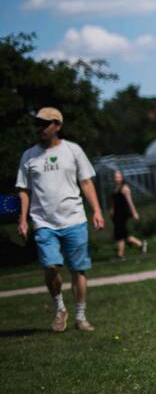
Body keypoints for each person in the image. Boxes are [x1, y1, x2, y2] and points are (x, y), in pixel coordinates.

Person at [15, 107, 105, 332]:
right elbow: (23, 190)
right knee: (50, 267)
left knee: (78, 270)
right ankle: (60, 308)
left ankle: (81, 316)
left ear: (57, 126)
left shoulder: (73, 151)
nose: (40, 128)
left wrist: (96, 210)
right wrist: (23, 219)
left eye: (45, 124)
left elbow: (86, 182)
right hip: (44, 222)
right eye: (38, 123)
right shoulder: (29, 156)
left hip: (74, 219)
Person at [110, 170, 147, 260]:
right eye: (115, 177)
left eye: (118, 176)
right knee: (123, 235)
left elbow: (129, 201)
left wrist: (134, 212)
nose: (117, 178)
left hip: (123, 214)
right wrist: (112, 210)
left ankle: (120, 255)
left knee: (119, 233)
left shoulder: (125, 187)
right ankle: (141, 244)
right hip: (116, 214)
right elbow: (114, 202)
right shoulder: (115, 188)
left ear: (122, 177)